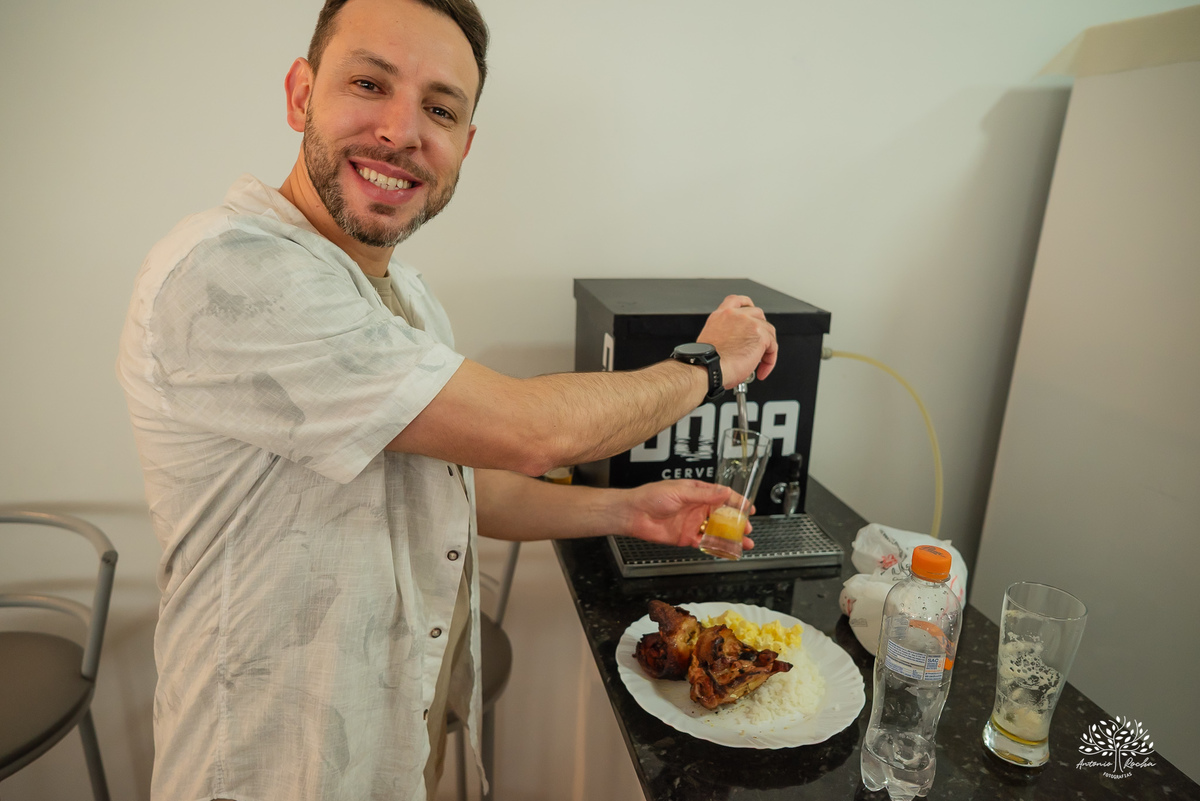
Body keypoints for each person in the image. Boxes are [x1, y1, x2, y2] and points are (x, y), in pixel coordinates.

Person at [116, 0, 778, 799]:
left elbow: (459, 482)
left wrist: (627, 511)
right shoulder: (229, 272)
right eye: (369, 83)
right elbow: (530, 433)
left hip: (395, 741)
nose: (402, 131)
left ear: (464, 146)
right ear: (300, 94)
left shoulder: (406, 296)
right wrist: (707, 363)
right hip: (272, 767)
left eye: (439, 108)